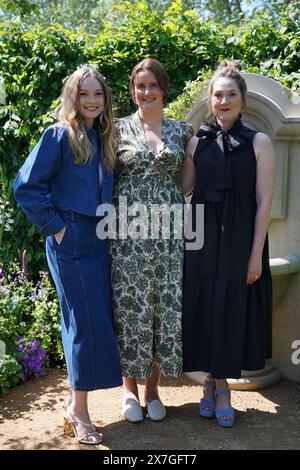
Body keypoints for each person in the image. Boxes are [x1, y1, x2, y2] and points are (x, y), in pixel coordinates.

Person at [14, 65, 122, 444]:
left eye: (98, 94)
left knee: (91, 319)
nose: (91, 101)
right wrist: (56, 227)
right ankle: (79, 411)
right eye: (84, 93)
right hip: (70, 238)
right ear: (72, 97)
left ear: (106, 99)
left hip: (98, 237)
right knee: (84, 324)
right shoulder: (59, 134)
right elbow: (26, 187)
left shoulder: (103, 137)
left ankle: (75, 402)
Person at [182, 60, 275, 428]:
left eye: (231, 95)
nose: (224, 101)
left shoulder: (260, 142)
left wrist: (255, 254)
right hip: (201, 237)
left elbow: (265, 203)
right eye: (218, 94)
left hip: (238, 240)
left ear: (242, 100)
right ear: (210, 99)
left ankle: (220, 387)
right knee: (204, 305)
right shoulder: (195, 141)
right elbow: (186, 189)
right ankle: (212, 381)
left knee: (230, 305)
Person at [111, 58, 193, 422]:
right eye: (139, 86)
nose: (146, 92)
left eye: (152, 86)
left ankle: (153, 390)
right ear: (133, 90)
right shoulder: (115, 129)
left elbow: (189, 182)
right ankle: (129, 391)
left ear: (164, 89)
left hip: (169, 234)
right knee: (130, 306)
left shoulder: (183, 131)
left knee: (163, 306)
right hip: (127, 235)